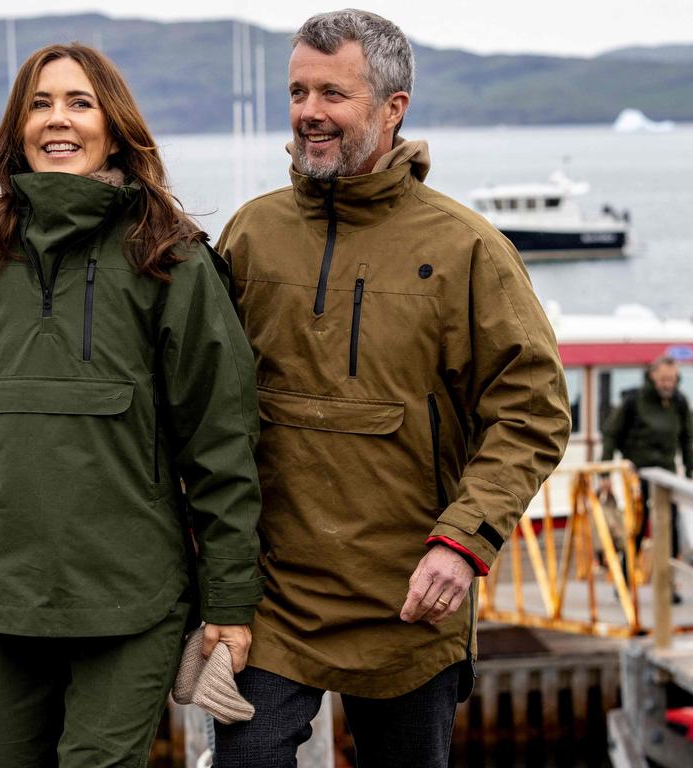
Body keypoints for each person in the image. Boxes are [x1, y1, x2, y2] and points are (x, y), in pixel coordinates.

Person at [212, 10, 571, 767]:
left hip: (412, 597)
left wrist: (463, 541)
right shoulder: (251, 233)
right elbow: (202, 404)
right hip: (274, 600)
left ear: (392, 106)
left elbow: (532, 410)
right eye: (298, 91)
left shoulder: (468, 248)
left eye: (332, 94)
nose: (309, 112)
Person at [0, 43, 263, 766]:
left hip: (131, 598)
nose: (57, 120)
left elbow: (221, 445)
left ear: (115, 128)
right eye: (39, 103)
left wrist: (229, 602)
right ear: (16, 130)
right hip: (6, 596)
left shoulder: (174, 262)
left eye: (79, 103)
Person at [601, 356, 693, 567]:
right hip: (638, 473)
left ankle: (669, 580)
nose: (667, 384)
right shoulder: (635, 400)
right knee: (637, 526)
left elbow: (687, 439)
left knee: (671, 528)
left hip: (668, 474)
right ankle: (626, 579)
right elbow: (611, 433)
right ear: (653, 376)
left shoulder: (679, 402)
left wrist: (691, 473)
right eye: (663, 379)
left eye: (672, 379)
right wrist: (605, 473)